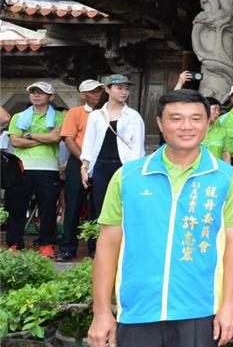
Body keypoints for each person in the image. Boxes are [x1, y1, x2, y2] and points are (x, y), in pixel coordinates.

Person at [88, 89, 233, 347]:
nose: (185, 126)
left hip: (198, 313)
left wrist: (229, 303)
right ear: (160, 123)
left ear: (208, 123)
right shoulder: (129, 176)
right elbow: (107, 245)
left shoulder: (225, 178)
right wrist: (102, 311)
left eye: (195, 118)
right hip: (137, 314)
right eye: (175, 118)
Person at [80, 74, 146, 237]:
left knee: (123, 204)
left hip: (124, 165)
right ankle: (95, 245)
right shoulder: (96, 115)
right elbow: (89, 142)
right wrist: (85, 166)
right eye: (119, 88)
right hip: (101, 165)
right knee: (100, 204)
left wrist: (135, 170)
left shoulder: (133, 116)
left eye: (127, 89)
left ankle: (122, 242)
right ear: (108, 89)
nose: (124, 92)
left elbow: (138, 146)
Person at [5, 82, 65, 256]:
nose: (36, 95)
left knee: (47, 208)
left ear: (51, 97)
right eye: (33, 92)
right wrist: (43, 138)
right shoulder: (18, 116)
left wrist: (28, 135)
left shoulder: (60, 117)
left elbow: (56, 138)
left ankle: (47, 244)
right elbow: (15, 141)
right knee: (16, 207)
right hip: (21, 167)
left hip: (48, 168)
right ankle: (15, 243)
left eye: (41, 92)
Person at [56, 79, 104, 261]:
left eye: (99, 90)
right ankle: (67, 247)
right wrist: (85, 160)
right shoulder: (75, 112)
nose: (97, 94)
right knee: (73, 205)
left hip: (102, 163)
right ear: (83, 94)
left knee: (98, 207)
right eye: (92, 91)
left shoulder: (108, 112)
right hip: (79, 161)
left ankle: (94, 248)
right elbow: (68, 139)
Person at [201, 96, 230, 162]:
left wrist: (227, 172)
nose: (217, 113)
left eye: (218, 110)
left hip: (216, 170)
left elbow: (226, 154)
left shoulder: (222, 131)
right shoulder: (192, 130)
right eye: (214, 109)